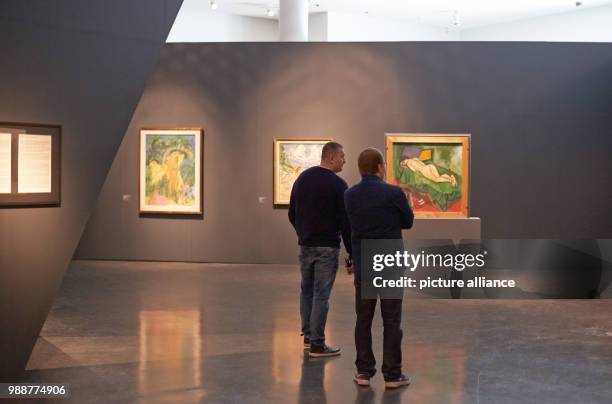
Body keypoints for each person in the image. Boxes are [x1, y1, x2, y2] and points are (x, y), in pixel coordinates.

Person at [344, 148, 414, 388]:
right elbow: (408, 222)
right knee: (392, 320)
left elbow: (352, 225)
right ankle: (392, 375)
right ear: (380, 167)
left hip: (365, 264)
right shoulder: (394, 193)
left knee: (363, 319)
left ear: (360, 168)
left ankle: (363, 372)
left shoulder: (350, 195)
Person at [289, 141, 353, 358]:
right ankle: (317, 344)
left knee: (306, 291)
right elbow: (346, 223)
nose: (345, 160)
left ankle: (308, 336)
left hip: (305, 245)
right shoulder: (338, 185)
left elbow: (292, 212)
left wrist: (303, 233)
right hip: (327, 247)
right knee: (321, 295)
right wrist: (352, 253)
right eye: (343, 156)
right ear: (332, 157)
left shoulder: (303, 179)